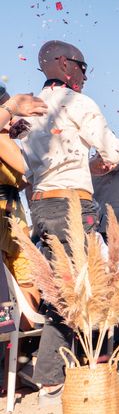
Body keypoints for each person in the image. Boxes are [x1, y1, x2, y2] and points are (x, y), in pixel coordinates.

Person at [19, 40, 119, 405]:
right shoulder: (78, 103)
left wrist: (88, 168)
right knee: (78, 289)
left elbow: (36, 170)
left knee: (62, 286)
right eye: (83, 66)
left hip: (41, 206)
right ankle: (54, 381)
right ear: (64, 65)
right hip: (73, 207)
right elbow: (113, 151)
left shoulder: (26, 112)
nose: (86, 75)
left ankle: (66, 370)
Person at [0, 84, 48, 328]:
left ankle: (19, 352)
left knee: (27, 281)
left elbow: (25, 180)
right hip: (4, 222)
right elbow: (28, 171)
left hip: (14, 221)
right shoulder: (1, 139)